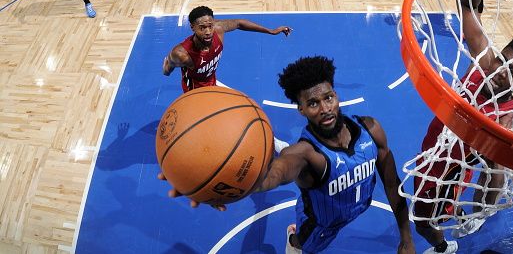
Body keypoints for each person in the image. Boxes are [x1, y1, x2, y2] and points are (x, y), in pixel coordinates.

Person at [160, 56, 416, 254]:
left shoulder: (370, 129)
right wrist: (211, 184)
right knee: (302, 245)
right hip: (318, 226)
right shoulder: (304, 156)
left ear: (336, 96)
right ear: (301, 110)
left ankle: (274, 143)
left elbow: (392, 183)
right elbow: (272, 177)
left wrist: (406, 237)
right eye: (313, 103)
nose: (325, 109)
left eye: (328, 97)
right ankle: (292, 240)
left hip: (355, 208)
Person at [413, 0, 513, 253]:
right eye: (502, 61)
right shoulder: (482, 61)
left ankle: (447, 245)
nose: (501, 71)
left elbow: (495, 173)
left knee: (422, 220)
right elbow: (465, 4)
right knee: (434, 210)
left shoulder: (504, 117)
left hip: (449, 169)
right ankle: (462, 214)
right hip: (435, 144)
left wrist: (482, 207)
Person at [162, 5, 293, 152]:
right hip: (195, 95)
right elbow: (168, 67)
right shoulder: (182, 54)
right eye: (202, 28)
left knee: (248, 109)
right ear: (192, 28)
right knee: (212, 133)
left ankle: (273, 143)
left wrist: (271, 31)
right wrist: (166, 68)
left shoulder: (218, 30)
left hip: (212, 84)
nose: (207, 32)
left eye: (210, 26)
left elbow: (239, 23)